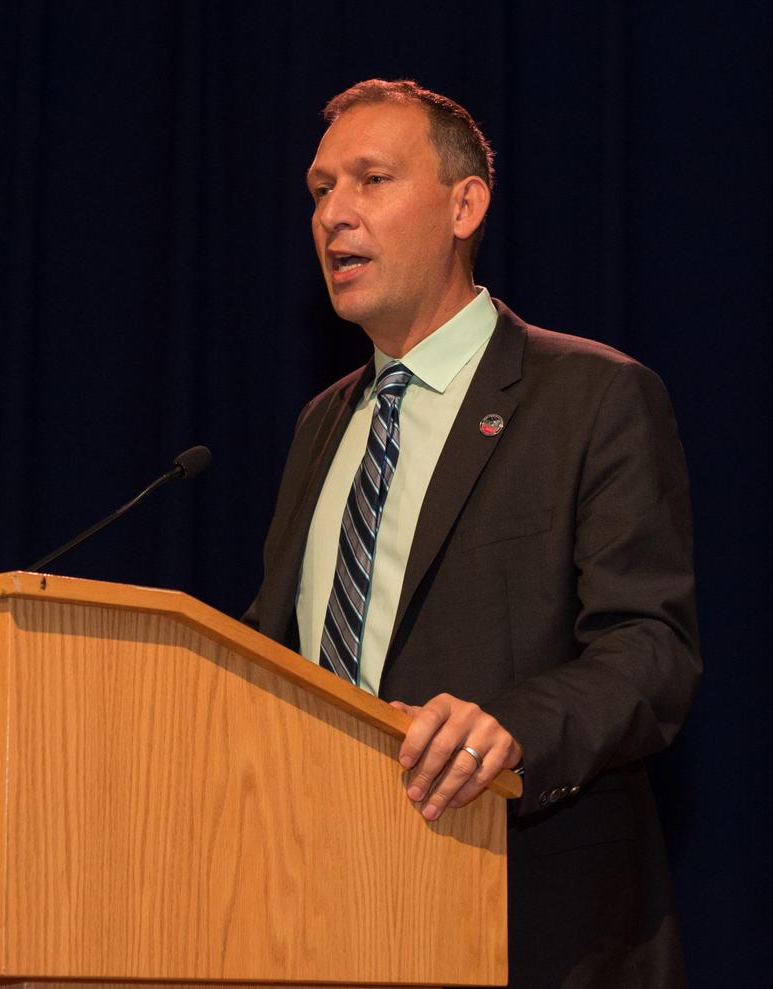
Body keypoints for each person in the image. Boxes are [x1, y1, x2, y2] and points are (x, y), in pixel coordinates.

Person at [244, 79, 700, 988]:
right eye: (320, 188)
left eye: (372, 180)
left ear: (465, 204)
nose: (335, 214)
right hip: (324, 915)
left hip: (530, 923)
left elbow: (651, 649)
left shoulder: (593, 397)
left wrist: (510, 729)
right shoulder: (321, 427)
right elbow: (276, 657)